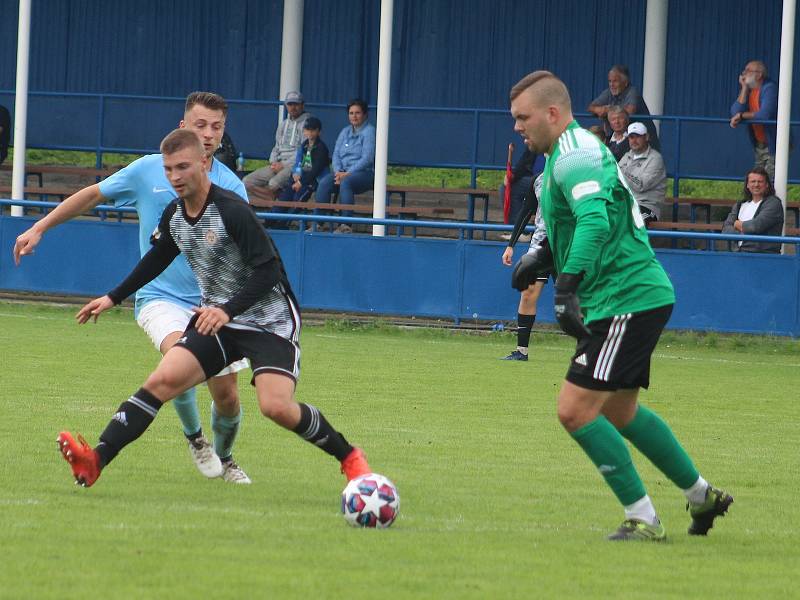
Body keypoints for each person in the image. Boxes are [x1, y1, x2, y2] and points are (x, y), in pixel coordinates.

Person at [56, 128, 373, 489]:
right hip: (217, 320)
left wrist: (228, 310)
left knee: (275, 406)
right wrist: (113, 297)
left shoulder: (233, 210)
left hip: (268, 321)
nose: (175, 177)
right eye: (169, 169)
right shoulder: (174, 214)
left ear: (204, 163)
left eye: (183, 167)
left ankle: (350, 457)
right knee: (162, 380)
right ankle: (95, 459)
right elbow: (157, 258)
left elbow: (269, 270)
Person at [510, 70, 732, 541]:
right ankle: (701, 496)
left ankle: (644, 519)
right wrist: (539, 258)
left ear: (552, 113)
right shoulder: (559, 161)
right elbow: (587, 221)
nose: (517, 126)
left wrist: (564, 287)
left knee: (574, 410)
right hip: (628, 295)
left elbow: (592, 224)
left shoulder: (575, 158)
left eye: (522, 117)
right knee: (618, 411)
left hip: (624, 296)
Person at [13, 92, 252, 484]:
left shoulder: (230, 187)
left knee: (227, 398)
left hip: (213, 303)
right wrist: (39, 226)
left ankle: (225, 457)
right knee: (179, 356)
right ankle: (196, 439)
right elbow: (92, 195)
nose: (208, 134)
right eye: (200, 125)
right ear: (182, 127)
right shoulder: (147, 171)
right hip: (161, 297)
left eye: (216, 127)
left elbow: (243, 253)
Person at [502, 174, 549, 361]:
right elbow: (526, 211)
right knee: (527, 293)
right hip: (540, 244)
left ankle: (590, 353)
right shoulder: (539, 180)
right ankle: (522, 351)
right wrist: (511, 245)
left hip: (568, 245)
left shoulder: (575, 174)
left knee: (576, 298)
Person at [314, 99, 376, 234]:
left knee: (346, 182)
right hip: (342, 173)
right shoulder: (345, 131)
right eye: (351, 113)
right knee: (324, 182)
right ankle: (318, 223)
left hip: (364, 173)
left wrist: (347, 173)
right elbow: (336, 154)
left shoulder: (369, 132)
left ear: (365, 115)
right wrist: (338, 172)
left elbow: (367, 158)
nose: (354, 116)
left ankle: (345, 225)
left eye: (357, 113)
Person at [244, 91, 312, 199]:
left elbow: (304, 151)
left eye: (296, 104)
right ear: (286, 106)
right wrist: (274, 162)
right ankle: (272, 199)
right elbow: (276, 146)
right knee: (247, 181)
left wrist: (284, 165)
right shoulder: (283, 124)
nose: (293, 107)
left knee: (273, 184)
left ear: (302, 105)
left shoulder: (308, 124)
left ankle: (275, 202)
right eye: (290, 104)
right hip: (278, 163)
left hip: (294, 165)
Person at [588, 64, 659, 151]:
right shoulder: (609, 92)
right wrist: (599, 109)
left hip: (643, 139)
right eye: (610, 81)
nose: (611, 85)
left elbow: (630, 110)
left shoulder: (633, 92)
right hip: (623, 139)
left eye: (615, 81)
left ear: (625, 83)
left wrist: (607, 110)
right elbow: (591, 107)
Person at [729, 60, 779, 181]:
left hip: (774, 143)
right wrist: (744, 88)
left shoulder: (769, 88)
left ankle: (772, 200)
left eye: (748, 71)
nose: (744, 73)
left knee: (769, 181)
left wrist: (742, 116)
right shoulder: (751, 90)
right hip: (760, 144)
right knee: (758, 180)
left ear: (759, 75)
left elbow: (764, 115)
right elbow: (735, 112)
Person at [722, 167, 784, 253]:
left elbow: (755, 226)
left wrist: (737, 225)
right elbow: (725, 229)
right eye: (753, 181)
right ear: (747, 185)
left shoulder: (773, 203)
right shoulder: (740, 205)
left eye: (760, 181)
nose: (756, 185)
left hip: (762, 257)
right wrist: (741, 234)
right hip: (737, 254)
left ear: (767, 185)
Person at [618, 122, 666, 226]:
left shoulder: (655, 159)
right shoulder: (627, 156)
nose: (634, 140)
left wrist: (622, 172)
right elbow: (614, 179)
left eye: (638, 137)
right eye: (631, 137)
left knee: (627, 222)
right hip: (625, 204)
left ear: (646, 137)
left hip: (647, 207)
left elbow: (641, 185)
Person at [279, 116, 330, 203]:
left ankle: (291, 216)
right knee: (284, 197)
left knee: (297, 199)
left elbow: (315, 170)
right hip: (303, 177)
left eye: (313, 130)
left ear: (319, 132)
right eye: (307, 129)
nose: (310, 132)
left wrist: (301, 183)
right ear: (304, 131)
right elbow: (298, 162)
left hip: (314, 180)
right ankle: (274, 216)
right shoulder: (303, 146)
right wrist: (297, 172)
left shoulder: (322, 148)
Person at [498, 147, 544, 240]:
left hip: (551, 177)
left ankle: (522, 231)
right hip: (533, 180)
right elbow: (524, 163)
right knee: (508, 187)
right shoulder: (535, 140)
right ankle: (519, 231)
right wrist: (513, 175)